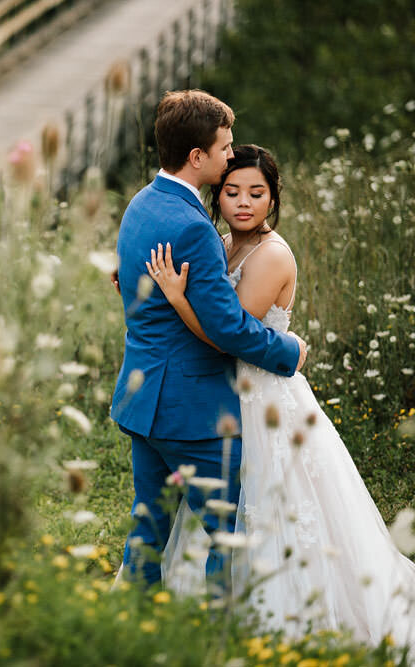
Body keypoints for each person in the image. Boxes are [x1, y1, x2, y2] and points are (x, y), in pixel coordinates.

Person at [147, 144, 415, 644]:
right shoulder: (223, 243)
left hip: (263, 396)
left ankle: (281, 611)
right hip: (225, 395)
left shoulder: (271, 254)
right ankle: (214, 607)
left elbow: (227, 336)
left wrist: (178, 299)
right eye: (231, 192)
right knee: (225, 500)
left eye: (257, 193)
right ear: (218, 195)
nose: (243, 203)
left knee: (273, 500)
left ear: (273, 198)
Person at [110, 90, 307, 590]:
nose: (229, 155)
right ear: (198, 157)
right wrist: (290, 352)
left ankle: (134, 627)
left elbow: (127, 280)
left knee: (148, 529)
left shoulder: (142, 204)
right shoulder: (195, 227)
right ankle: (222, 640)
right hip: (189, 407)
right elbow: (227, 327)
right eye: (224, 147)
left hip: (142, 397)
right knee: (230, 533)